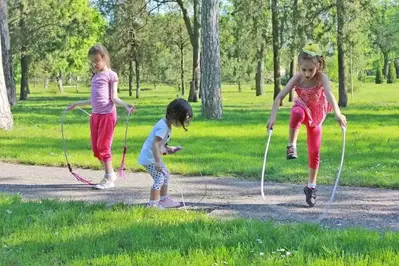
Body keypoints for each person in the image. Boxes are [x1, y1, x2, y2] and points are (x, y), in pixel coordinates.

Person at [266, 42, 347, 207]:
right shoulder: (297, 78)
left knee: (314, 152)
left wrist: (337, 113)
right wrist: (272, 117)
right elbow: (279, 97)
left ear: (318, 65)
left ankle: (310, 187)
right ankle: (291, 145)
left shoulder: (322, 78)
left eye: (311, 69)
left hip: (317, 115)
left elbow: (330, 94)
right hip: (302, 107)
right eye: (304, 69)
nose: (307, 73)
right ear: (299, 67)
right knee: (296, 112)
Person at [67, 44, 134, 190]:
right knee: (96, 150)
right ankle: (110, 173)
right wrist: (76, 104)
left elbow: (114, 98)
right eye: (92, 62)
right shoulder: (95, 77)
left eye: (96, 61)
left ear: (104, 58)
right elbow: (93, 100)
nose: (94, 64)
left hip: (107, 116)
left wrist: (126, 105)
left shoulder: (111, 75)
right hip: (95, 116)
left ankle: (109, 177)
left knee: (103, 147)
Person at [138, 98, 193, 209]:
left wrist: (169, 149)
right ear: (175, 115)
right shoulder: (163, 127)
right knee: (159, 178)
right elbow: (155, 144)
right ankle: (153, 204)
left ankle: (163, 199)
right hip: (149, 158)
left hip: (153, 156)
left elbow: (160, 144)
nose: (184, 123)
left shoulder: (166, 124)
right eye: (183, 120)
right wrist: (158, 161)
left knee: (165, 175)